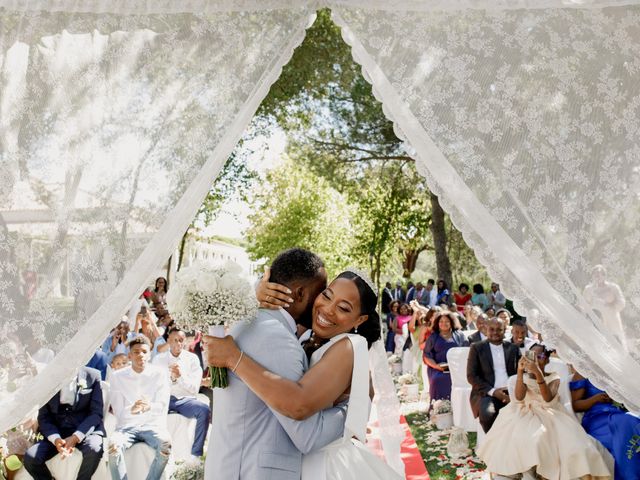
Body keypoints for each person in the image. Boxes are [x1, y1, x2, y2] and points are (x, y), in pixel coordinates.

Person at [206, 265, 401, 480]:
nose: (327, 309)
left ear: (360, 320)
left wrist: (234, 358)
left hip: (327, 466)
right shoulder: (310, 335)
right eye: (326, 296)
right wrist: (257, 295)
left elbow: (299, 403)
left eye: (344, 308)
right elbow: (292, 296)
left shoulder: (348, 346)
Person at [199, 248, 347, 480]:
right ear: (299, 294)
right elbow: (307, 435)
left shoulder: (251, 320)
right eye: (321, 292)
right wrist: (351, 409)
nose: (322, 303)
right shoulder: (275, 337)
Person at [477, 344, 613, 479]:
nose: (536, 360)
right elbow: (519, 397)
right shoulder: (522, 378)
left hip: (548, 413)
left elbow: (548, 399)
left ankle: (543, 472)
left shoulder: (554, 377)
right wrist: (520, 372)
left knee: (550, 441)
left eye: (540, 356)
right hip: (525, 412)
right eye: (532, 356)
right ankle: (521, 469)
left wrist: (538, 373)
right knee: (520, 437)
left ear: (547, 360)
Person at [108, 335, 171, 480]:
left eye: (144, 351)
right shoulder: (117, 376)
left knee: (166, 445)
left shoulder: (160, 374)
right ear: (129, 355)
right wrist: (132, 409)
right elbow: (118, 411)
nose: (140, 355)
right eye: (136, 352)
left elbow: (162, 405)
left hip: (152, 425)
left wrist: (148, 406)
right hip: (126, 427)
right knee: (113, 446)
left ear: (150, 354)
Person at [23, 367, 104, 480]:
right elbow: (44, 416)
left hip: (84, 430)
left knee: (94, 448)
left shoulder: (93, 375)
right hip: (57, 430)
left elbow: (96, 413)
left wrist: (76, 437)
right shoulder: (47, 379)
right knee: (30, 457)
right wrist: (56, 439)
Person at [152, 328, 210, 462]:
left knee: (204, 410)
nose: (178, 343)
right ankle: (155, 451)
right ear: (168, 341)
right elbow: (155, 386)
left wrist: (180, 378)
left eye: (181, 340)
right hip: (164, 399)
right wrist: (171, 379)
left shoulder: (192, 359)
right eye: (175, 340)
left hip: (185, 400)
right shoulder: (158, 360)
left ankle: (195, 454)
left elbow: (194, 389)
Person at [570, 372, 640, 479]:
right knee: (627, 421)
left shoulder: (616, 369)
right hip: (597, 417)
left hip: (620, 412)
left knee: (632, 421)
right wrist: (595, 399)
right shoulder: (582, 371)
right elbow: (575, 405)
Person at [467, 318, 520, 433]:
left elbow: (520, 373)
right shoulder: (477, 348)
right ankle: (494, 445)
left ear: (505, 330)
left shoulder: (513, 348)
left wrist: (514, 392)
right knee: (487, 414)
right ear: (486, 330)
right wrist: (493, 392)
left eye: (499, 329)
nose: (495, 332)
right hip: (487, 393)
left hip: (511, 392)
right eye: (492, 329)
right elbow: (471, 376)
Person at [422, 311, 468, 401]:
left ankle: (457, 407)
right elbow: (426, 355)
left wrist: (458, 366)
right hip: (438, 369)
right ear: (437, 323)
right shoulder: (433, 337)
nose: (444, 324)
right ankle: (439, 408)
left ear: (451, 322)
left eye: (447, 321)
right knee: (437, 380)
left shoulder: (460, 335)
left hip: (457, 369)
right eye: (441, 321)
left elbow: (466, 351)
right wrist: (436, 366)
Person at [583, 264, 627, 350]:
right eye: (595, 275)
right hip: (597, 320)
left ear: (604, 275)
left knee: (616, 344)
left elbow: (622, 302)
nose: (597, 277)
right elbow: (584, 304)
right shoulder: (588, 289)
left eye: (599, 274)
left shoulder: (613, 287)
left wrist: (611, 305)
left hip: (612, 319)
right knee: (598, 344)